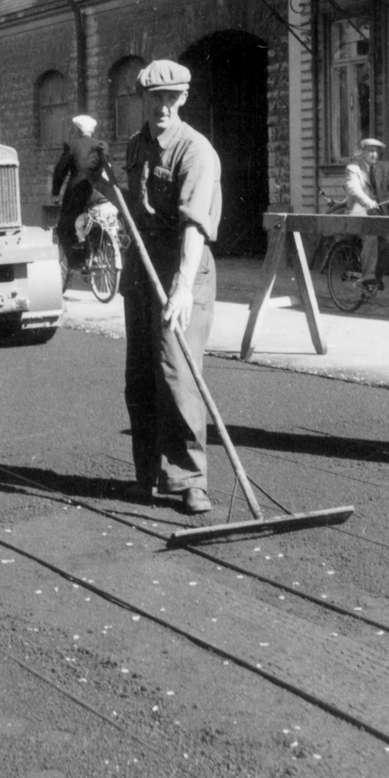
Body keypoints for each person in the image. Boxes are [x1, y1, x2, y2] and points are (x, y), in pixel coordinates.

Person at [121, 59, 223, 515]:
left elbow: (194, 227)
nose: (163, 106)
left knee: (178, 373)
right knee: (141, 376)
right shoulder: (136, 146)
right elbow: (135, 206)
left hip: (185, 266)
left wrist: (182, 286)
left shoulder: (195, 150)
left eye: (171, 98)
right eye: (155, 97)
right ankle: (149, 475)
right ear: (142, 98)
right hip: (143, 269)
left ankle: (190, 481)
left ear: (183, 99)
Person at [344, 138, 389, 286]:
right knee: (371, 235)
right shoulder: (354, 168)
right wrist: (367, 201)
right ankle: (367, 277)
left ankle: (377, 276)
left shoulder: (384, 168)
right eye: (370, 151)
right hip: (360, 209)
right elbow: (354, 189)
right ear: (363, 152)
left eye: (376, 151)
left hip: (377, 212)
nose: (373, 155)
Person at [52, 114, 109, 251]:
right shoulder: (102, 145)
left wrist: (55, 193)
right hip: (100, 190)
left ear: (77, 130)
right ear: (92, 130)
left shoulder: (71, 145)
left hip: (76, 192)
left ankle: (75, 264)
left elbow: (60, 171)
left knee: (66, 225)